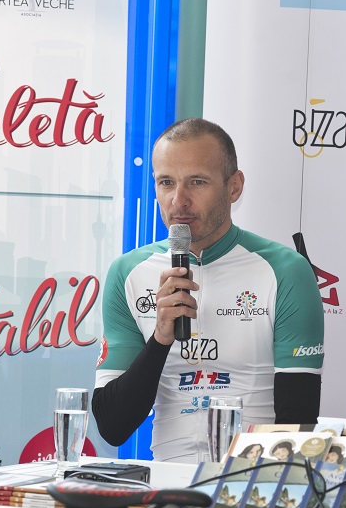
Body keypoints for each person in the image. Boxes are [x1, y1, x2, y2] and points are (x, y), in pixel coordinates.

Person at [93, 118, 325, 462]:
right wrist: (160, 339)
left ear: (234, 187)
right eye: (166, 182)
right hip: (167, 481)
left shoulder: (286, 270)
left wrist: (239, 486)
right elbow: (113, 426)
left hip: (253, 477)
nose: (179, 200)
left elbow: (298, 423)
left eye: (197, 182)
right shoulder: (128, 272)